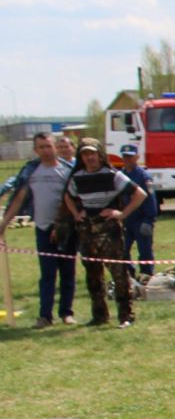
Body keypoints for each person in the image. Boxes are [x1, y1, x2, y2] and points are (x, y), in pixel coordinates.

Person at [62, 139, 145, 327]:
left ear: (100, 155)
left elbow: (140, 194)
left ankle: (126, 316)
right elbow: (68, 196)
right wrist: (76, 214)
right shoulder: (78, 177)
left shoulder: (113, 175)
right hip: (87, 230)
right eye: (85, 154)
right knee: (93, 274)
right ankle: (99, 316)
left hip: (109, 230)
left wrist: (122, 214)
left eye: (92, 153)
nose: (89, 158)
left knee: (119, 273)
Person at [0, 132, 76, 327]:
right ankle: (45, 316)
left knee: (67, 271)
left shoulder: (67, 170)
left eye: (48, 146)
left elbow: (75, 199)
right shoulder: (31, 171)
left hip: (65, 229)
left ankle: (66, 313)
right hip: (42, 228)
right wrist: (3, 224)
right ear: (35, 150)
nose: (45, 150)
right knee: (47, 274)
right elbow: (18, 199)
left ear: (55, 147)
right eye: (41, 147)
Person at [120, 156, 159, 281]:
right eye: (125, 157)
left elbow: (150, 198)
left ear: (136, 158)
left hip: (141, 219)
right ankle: (128, 276)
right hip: (126, 219)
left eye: (130, 157)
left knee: (145, 250)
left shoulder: (143, 176)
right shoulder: (121, 175)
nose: (127, 160)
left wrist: (149, 219)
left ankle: (146, 276)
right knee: (122, 250)